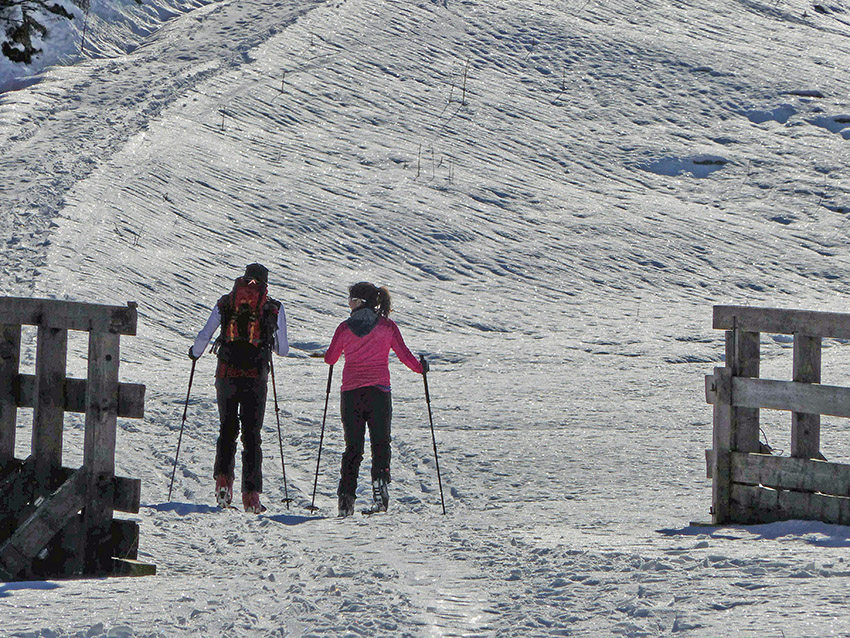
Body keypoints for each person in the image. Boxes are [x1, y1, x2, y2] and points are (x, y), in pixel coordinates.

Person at [189, 263, 289, 513]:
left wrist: (194, 353)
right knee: (252, 435)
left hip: (226, 374)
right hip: (256, 376)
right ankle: (251, 497)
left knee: (227, 429)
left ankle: (223, 484)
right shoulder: (273, 307)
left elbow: (205, 334)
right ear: (265, 283)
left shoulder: (226, 302)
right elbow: (283, 349)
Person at [324, 281, 427, 517]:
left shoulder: (344, 328)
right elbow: (404, 355)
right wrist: (421, 369)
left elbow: (330, 358)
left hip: (351, 393)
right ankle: (380, 487)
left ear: (360, 302)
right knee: (381, 443)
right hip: (379, 392)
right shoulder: (387, 327)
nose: (349, 304)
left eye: (351, 300)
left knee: (353, 447)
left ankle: (346, 499)